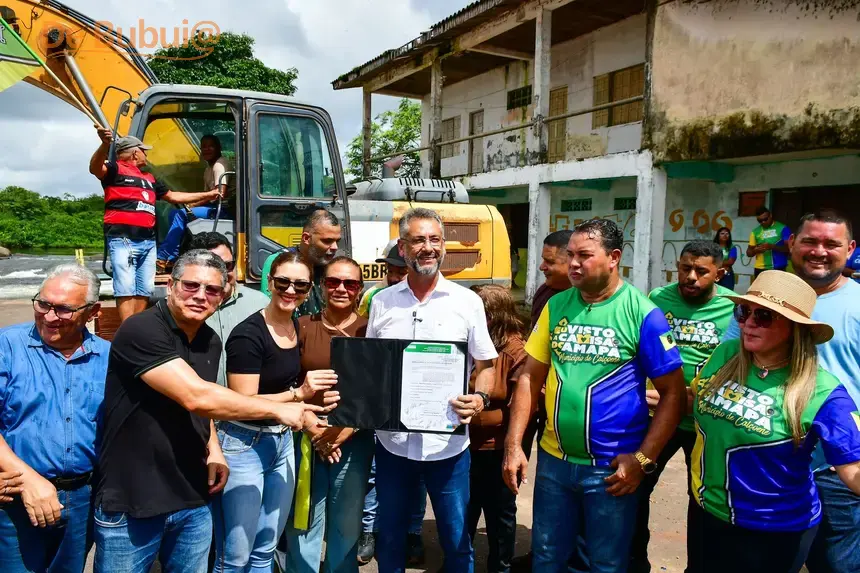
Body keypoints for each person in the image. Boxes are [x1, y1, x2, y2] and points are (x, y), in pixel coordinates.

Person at [93, 249, 327, 573]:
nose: (201, 296)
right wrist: (285, 407)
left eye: (212, 289)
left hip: (192, 495)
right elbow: (195, 396)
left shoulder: (209, 340)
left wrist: (213, 448)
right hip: (134, 496)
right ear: (171, 285)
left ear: (223, 294)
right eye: (191, 285)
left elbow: (206, 407)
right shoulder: (142, 330)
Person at [503, 218, 686, 573]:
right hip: (554, 464)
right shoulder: (557, 306)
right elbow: (529, 377)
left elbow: (673, 395)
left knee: (605, 563)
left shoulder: (642, 314)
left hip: (611, 470)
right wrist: (514, 446)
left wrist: (643, 460)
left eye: (584, 255)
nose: (573, 263)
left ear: (614, 257)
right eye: (570, 254)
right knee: (546, 557)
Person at [689, 270, 860, 572]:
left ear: (796, 329)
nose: (748, 323)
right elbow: (694, 401)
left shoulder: (823, 392)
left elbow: (854, 470)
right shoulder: (726, 354)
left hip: (774, 528)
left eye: (765, 316)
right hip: (708, 510)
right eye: (744, 312)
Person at [722, 210, 860, 573]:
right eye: (810, 241)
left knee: (836, 566)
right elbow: (726, 366)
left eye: (831, 244)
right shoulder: (760, 302)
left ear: (850, 249)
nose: (819, 251)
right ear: (791, 244)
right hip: (763, 468)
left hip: (836, 467)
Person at [367, 207, 498, 573]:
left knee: (457, 541)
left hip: (449, 448)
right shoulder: (382, 302)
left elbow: (486, 366)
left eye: (435, 239)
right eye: (419, 240)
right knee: (389, 537)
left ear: (443, 246)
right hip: (392, 446)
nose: (428, 247)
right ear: (403, 248)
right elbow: (372, 368)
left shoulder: (467, 302)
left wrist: (480, 398)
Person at [214, 250, 339, 572]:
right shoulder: (248, 334)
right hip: (244, 444)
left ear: (310, 290)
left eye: (300, 285)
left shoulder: (294, 327)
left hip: (282, 442)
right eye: (283, 282)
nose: (290, 290)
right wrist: (300, 394)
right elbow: (245, 402)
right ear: (270, 282)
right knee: (236, 554)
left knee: (266, 547)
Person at [629, 240, 736, 573]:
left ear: (720, 272)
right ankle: (633, 563)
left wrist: (694, 399)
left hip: (703, 425)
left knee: (702, 501)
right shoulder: (659, 299)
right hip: (659, 418)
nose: (690, 276)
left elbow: (735, 366)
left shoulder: (734, 308)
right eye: (684, 268)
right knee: (635, 485)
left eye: (701, 271)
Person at [0, 264, 108, 573]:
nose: (48, 316)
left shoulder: (110, 357)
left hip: (83, 499)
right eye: (42, 303)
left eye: (62, 309)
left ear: (93, 312)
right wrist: (30, 480)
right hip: (15, 498)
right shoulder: (6, 346)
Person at [284, 257, 376, 573]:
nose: (341, 288)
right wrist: (313, 428)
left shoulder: (371, 329)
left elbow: (376, 389)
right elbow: (288, 380)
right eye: (333, 281)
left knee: (347, 524)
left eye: (349, 283)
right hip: (307, 437)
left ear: (360, 289)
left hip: (353, 440)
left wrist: (340, 433)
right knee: (304, 521)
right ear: (322, 286)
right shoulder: (302, 326)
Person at [89, 127, 221, 322]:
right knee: (125, 286)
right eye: (144, 150)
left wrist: (208, 195)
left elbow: (173, 196)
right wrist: (104, 145)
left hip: (147, 242)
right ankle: (128, 330)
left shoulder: (150, 178)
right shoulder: (115, 169)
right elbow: (95, 168)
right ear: (135, 153)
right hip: (123, 238)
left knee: (144, 288)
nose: (146, 153)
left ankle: (137, 325)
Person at [356, 242, 426, 567]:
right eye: (391, 270)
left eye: (401, 270)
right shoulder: (374, 299)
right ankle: (370, 530)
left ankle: (413, 532)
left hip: (419, 405)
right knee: (375, 473)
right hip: (382, 404)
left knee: (418, 476)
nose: (395, 276)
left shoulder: (429, 302)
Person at [467, 285, 527, 573]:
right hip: (462, 445)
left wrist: (514, 450)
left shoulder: (515, 351)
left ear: (491, 315)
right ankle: (460, 563)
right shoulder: (467, 341)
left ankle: (500, 568)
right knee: (463, 510)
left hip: (496, 449)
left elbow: (523, 406)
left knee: (499, 514)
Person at [186, 232, 269, 386]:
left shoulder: (261, 304)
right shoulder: (185, 308)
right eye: (214, 266)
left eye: (227, 265)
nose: (223, 273)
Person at [157, 135, 233, 272]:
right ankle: (173, 257)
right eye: (204, 146)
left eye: (211, 146)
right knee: (174, 213)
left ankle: (162, 257)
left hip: (223, 209)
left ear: (219, 148)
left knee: (180, 214)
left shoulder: (220, 165)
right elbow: (207, 194)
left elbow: (219, 194)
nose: (207, 149)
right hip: (213, 207)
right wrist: (193, 204)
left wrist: (193, 205)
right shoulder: (208, 169)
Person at [261, 209, 343, 316]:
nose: (335, 247)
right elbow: (268, 306)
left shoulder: (330, 267)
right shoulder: (280, 261)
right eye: (327, 241)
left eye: (337, 241)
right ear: (306, 238)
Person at [531, 230, 573, 328]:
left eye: (549, 262)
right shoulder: (543, 292)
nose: (541, 267)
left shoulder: (590, 300)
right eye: (543, 260)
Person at [357, 242, 408, 318]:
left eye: (401, 273)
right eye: (390, 271)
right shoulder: (373, 296)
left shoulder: (427, 298)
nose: (393, 278)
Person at [746, 206, 790, 278]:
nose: (763, 222)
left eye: (765, 219)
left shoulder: (783, 228)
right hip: (760, 268)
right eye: (760, 221)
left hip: (778, 267)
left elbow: (789, 249)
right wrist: (755, 250)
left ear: (770, 215)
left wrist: (772, 247)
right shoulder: (755, 232)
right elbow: (748, 253)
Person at [713, 227, 739, 291]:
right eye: (722, 233)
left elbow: (730, 262)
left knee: (727, 293)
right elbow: (709, 260)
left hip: (727, 274)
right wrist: (724, 263)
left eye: (727, 234)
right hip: (714, 273)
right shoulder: (713, 246)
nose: (725, 235)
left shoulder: (732, 247)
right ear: (718, 235)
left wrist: (717, 262)